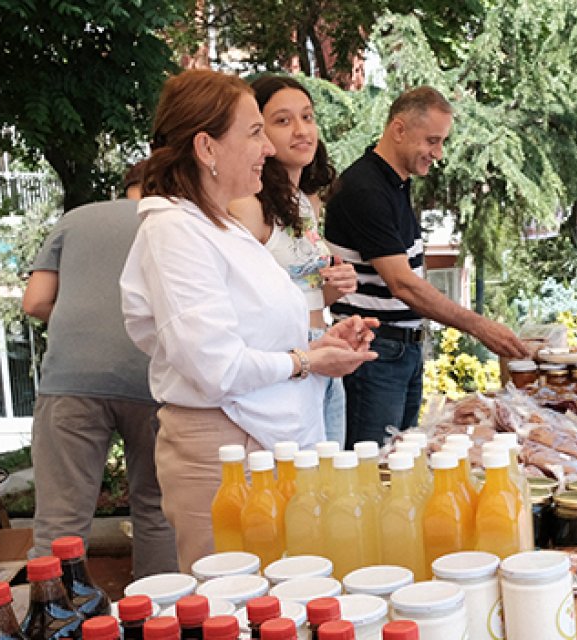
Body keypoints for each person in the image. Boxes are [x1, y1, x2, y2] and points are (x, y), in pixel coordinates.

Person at [118, 69, 378, 570]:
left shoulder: (216, 227)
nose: (267, 148)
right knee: (235, 608)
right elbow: (214, 367)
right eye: (256, 131)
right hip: (225, 455)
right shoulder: (174, 232)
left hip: (267, 444)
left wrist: (321, 340)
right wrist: (307, 359)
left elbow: (258, 328)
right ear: (207, 148)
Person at [324, 86, 530, 447]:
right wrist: (479, 326)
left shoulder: (395, 183)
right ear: (399, 130)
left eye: (442, 142)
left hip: (401, 352)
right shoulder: (365, 189)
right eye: (432, 141)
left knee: (399, 464)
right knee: (375, 470)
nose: (438, 153)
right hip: (374, 355)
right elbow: (402, 284)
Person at [21, 194, 177, 578]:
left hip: (71, 381)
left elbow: (35, 302)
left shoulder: (76, 218)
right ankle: (159, 618)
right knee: (157, 511)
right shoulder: (178, 220)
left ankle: (52, 621)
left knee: (59, 521)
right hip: (153, 379)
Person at [228, 75, 358, 446]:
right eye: (282, 121)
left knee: (330, 482)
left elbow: (305, 293)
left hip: (324, 347)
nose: (302, 130)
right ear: (257, 132)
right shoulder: (246, 208)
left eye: (307, 117)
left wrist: (332, 288)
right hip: (286, 362)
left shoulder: (306, 202)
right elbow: (242, 300)